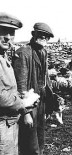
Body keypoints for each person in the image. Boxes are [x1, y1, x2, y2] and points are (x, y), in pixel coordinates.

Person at [12, 22, 56, 155]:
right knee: (30, 144)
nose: (44, 38)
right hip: (29, 104)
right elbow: (21, 86)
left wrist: (51, 103)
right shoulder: (23, 53)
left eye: (47, 36)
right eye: (41, 34)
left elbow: (46, 80)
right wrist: (25, 112)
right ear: (33, 34)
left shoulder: (43, 52)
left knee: (40, 139)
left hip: (41, 103)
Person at [0, 12, 39, 155]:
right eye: (2, 32)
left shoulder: (4, 57)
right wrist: (23, 103)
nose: (7, 37)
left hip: (9, 124)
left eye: (11, 33)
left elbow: (8, 89)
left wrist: (24, 99)